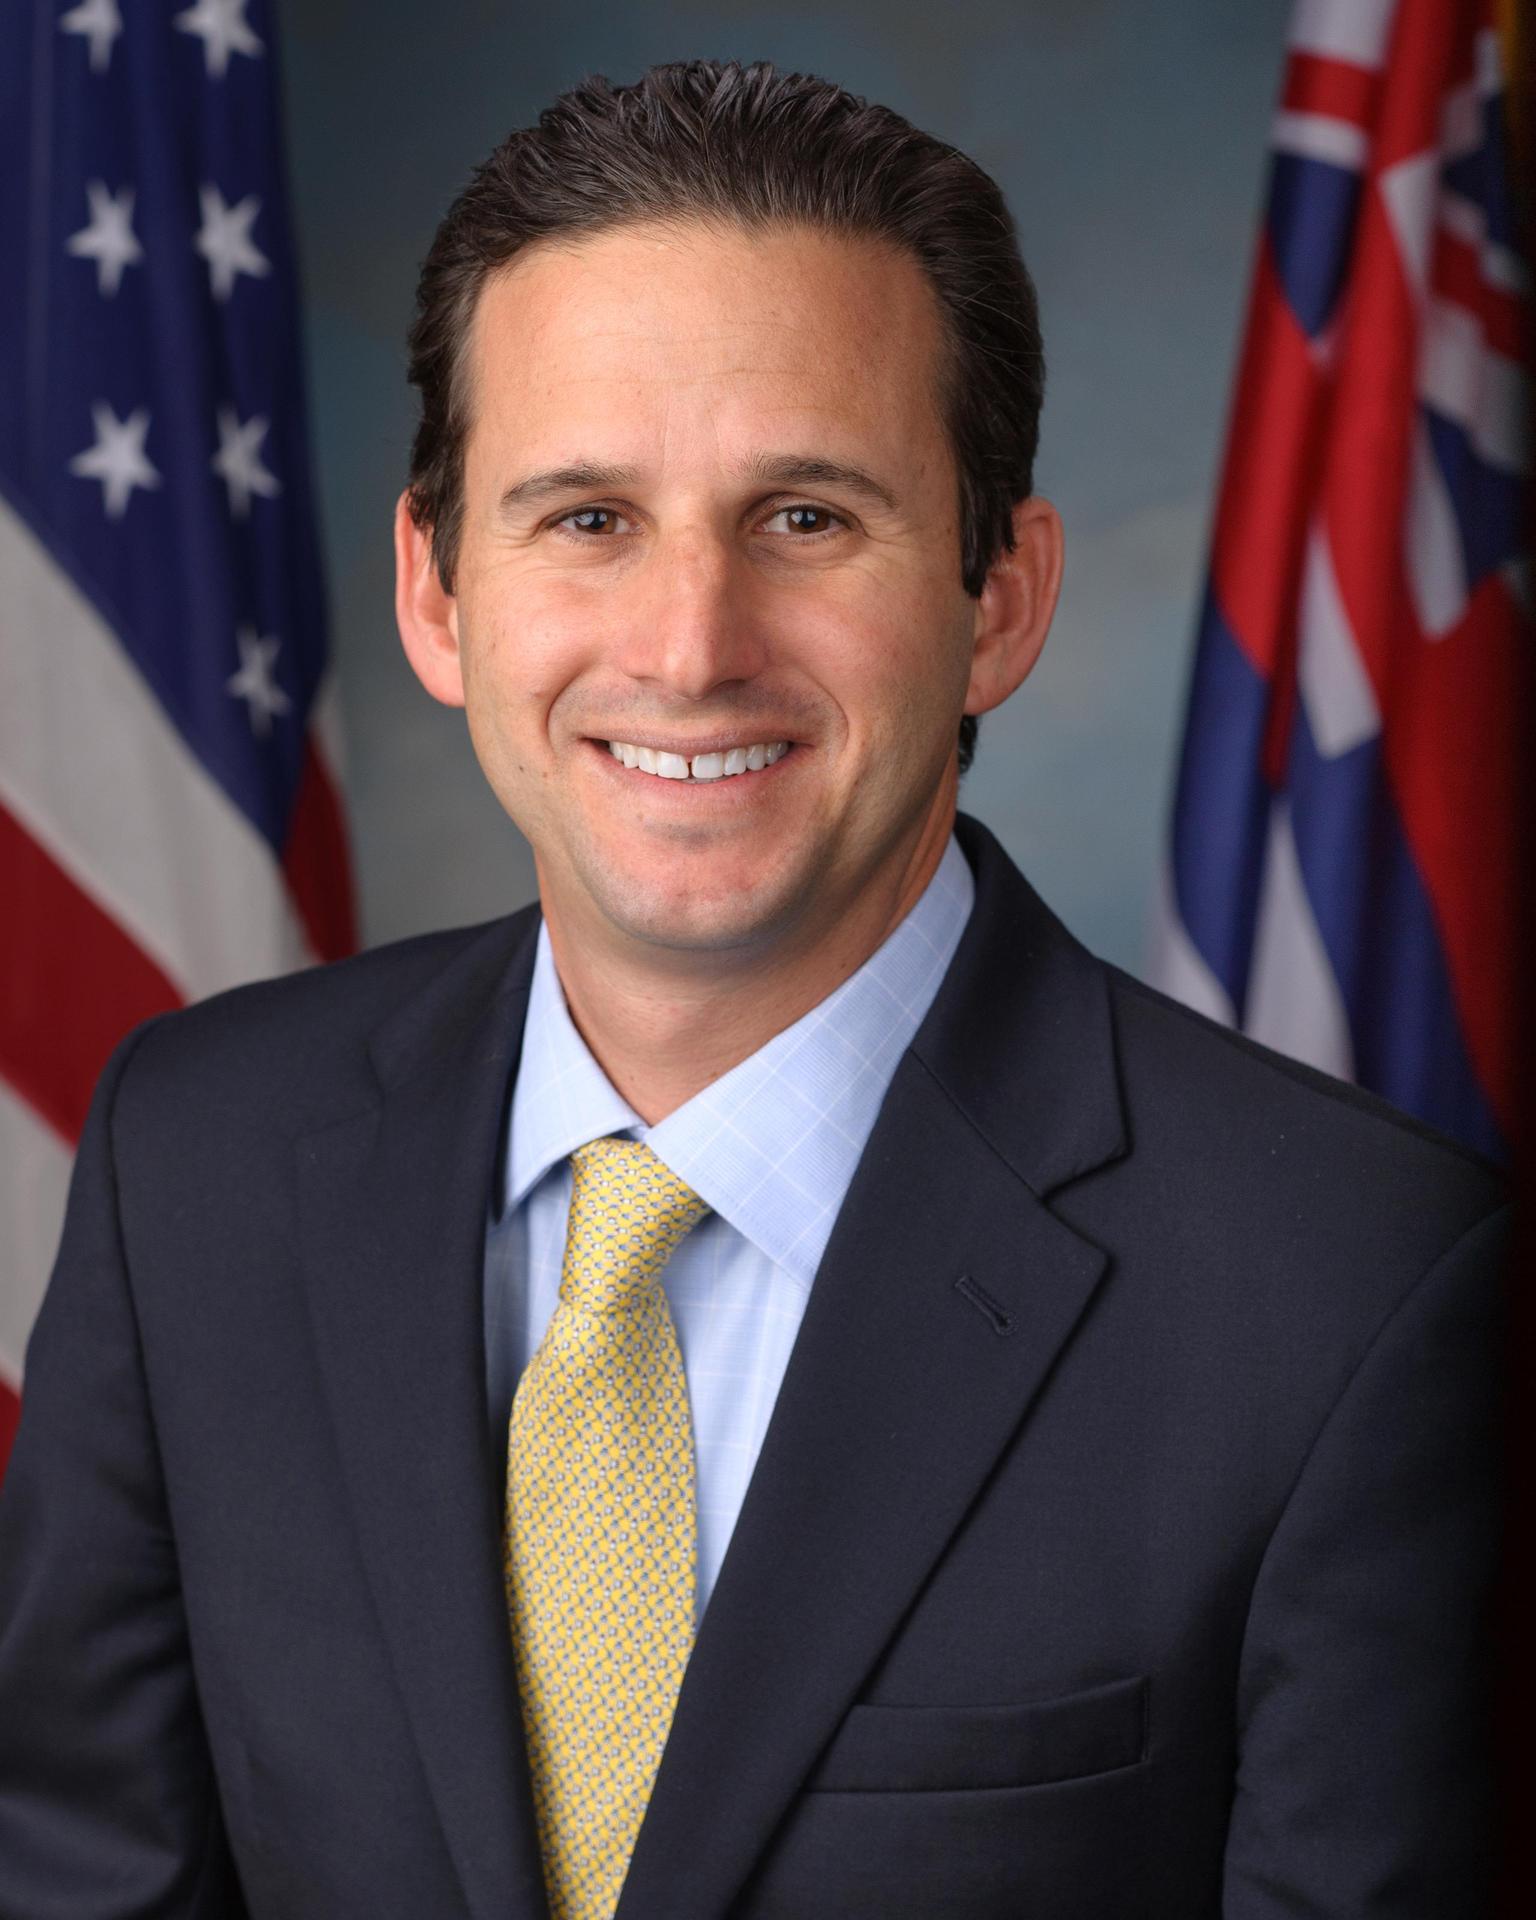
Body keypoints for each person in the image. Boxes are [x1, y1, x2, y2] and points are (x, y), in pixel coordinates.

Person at [0, 58, 1508, 1920]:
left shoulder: (1353, 1292)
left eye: (805, 516)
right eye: (586, 517)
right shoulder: (195, 1161)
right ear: (437, 596)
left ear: (1000, 598)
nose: (690, 645)